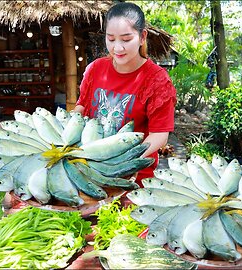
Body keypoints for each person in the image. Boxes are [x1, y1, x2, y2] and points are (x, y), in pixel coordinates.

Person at [74, 2, 177, 183]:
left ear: (142, 37)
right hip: (87, 170)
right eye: (111, 39)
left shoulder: (157, 80)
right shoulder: (95, 69)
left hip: (132, 177)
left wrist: (122, 161)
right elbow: (81, 107)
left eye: (126, 39)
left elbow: (160, 135)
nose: (117, 48)